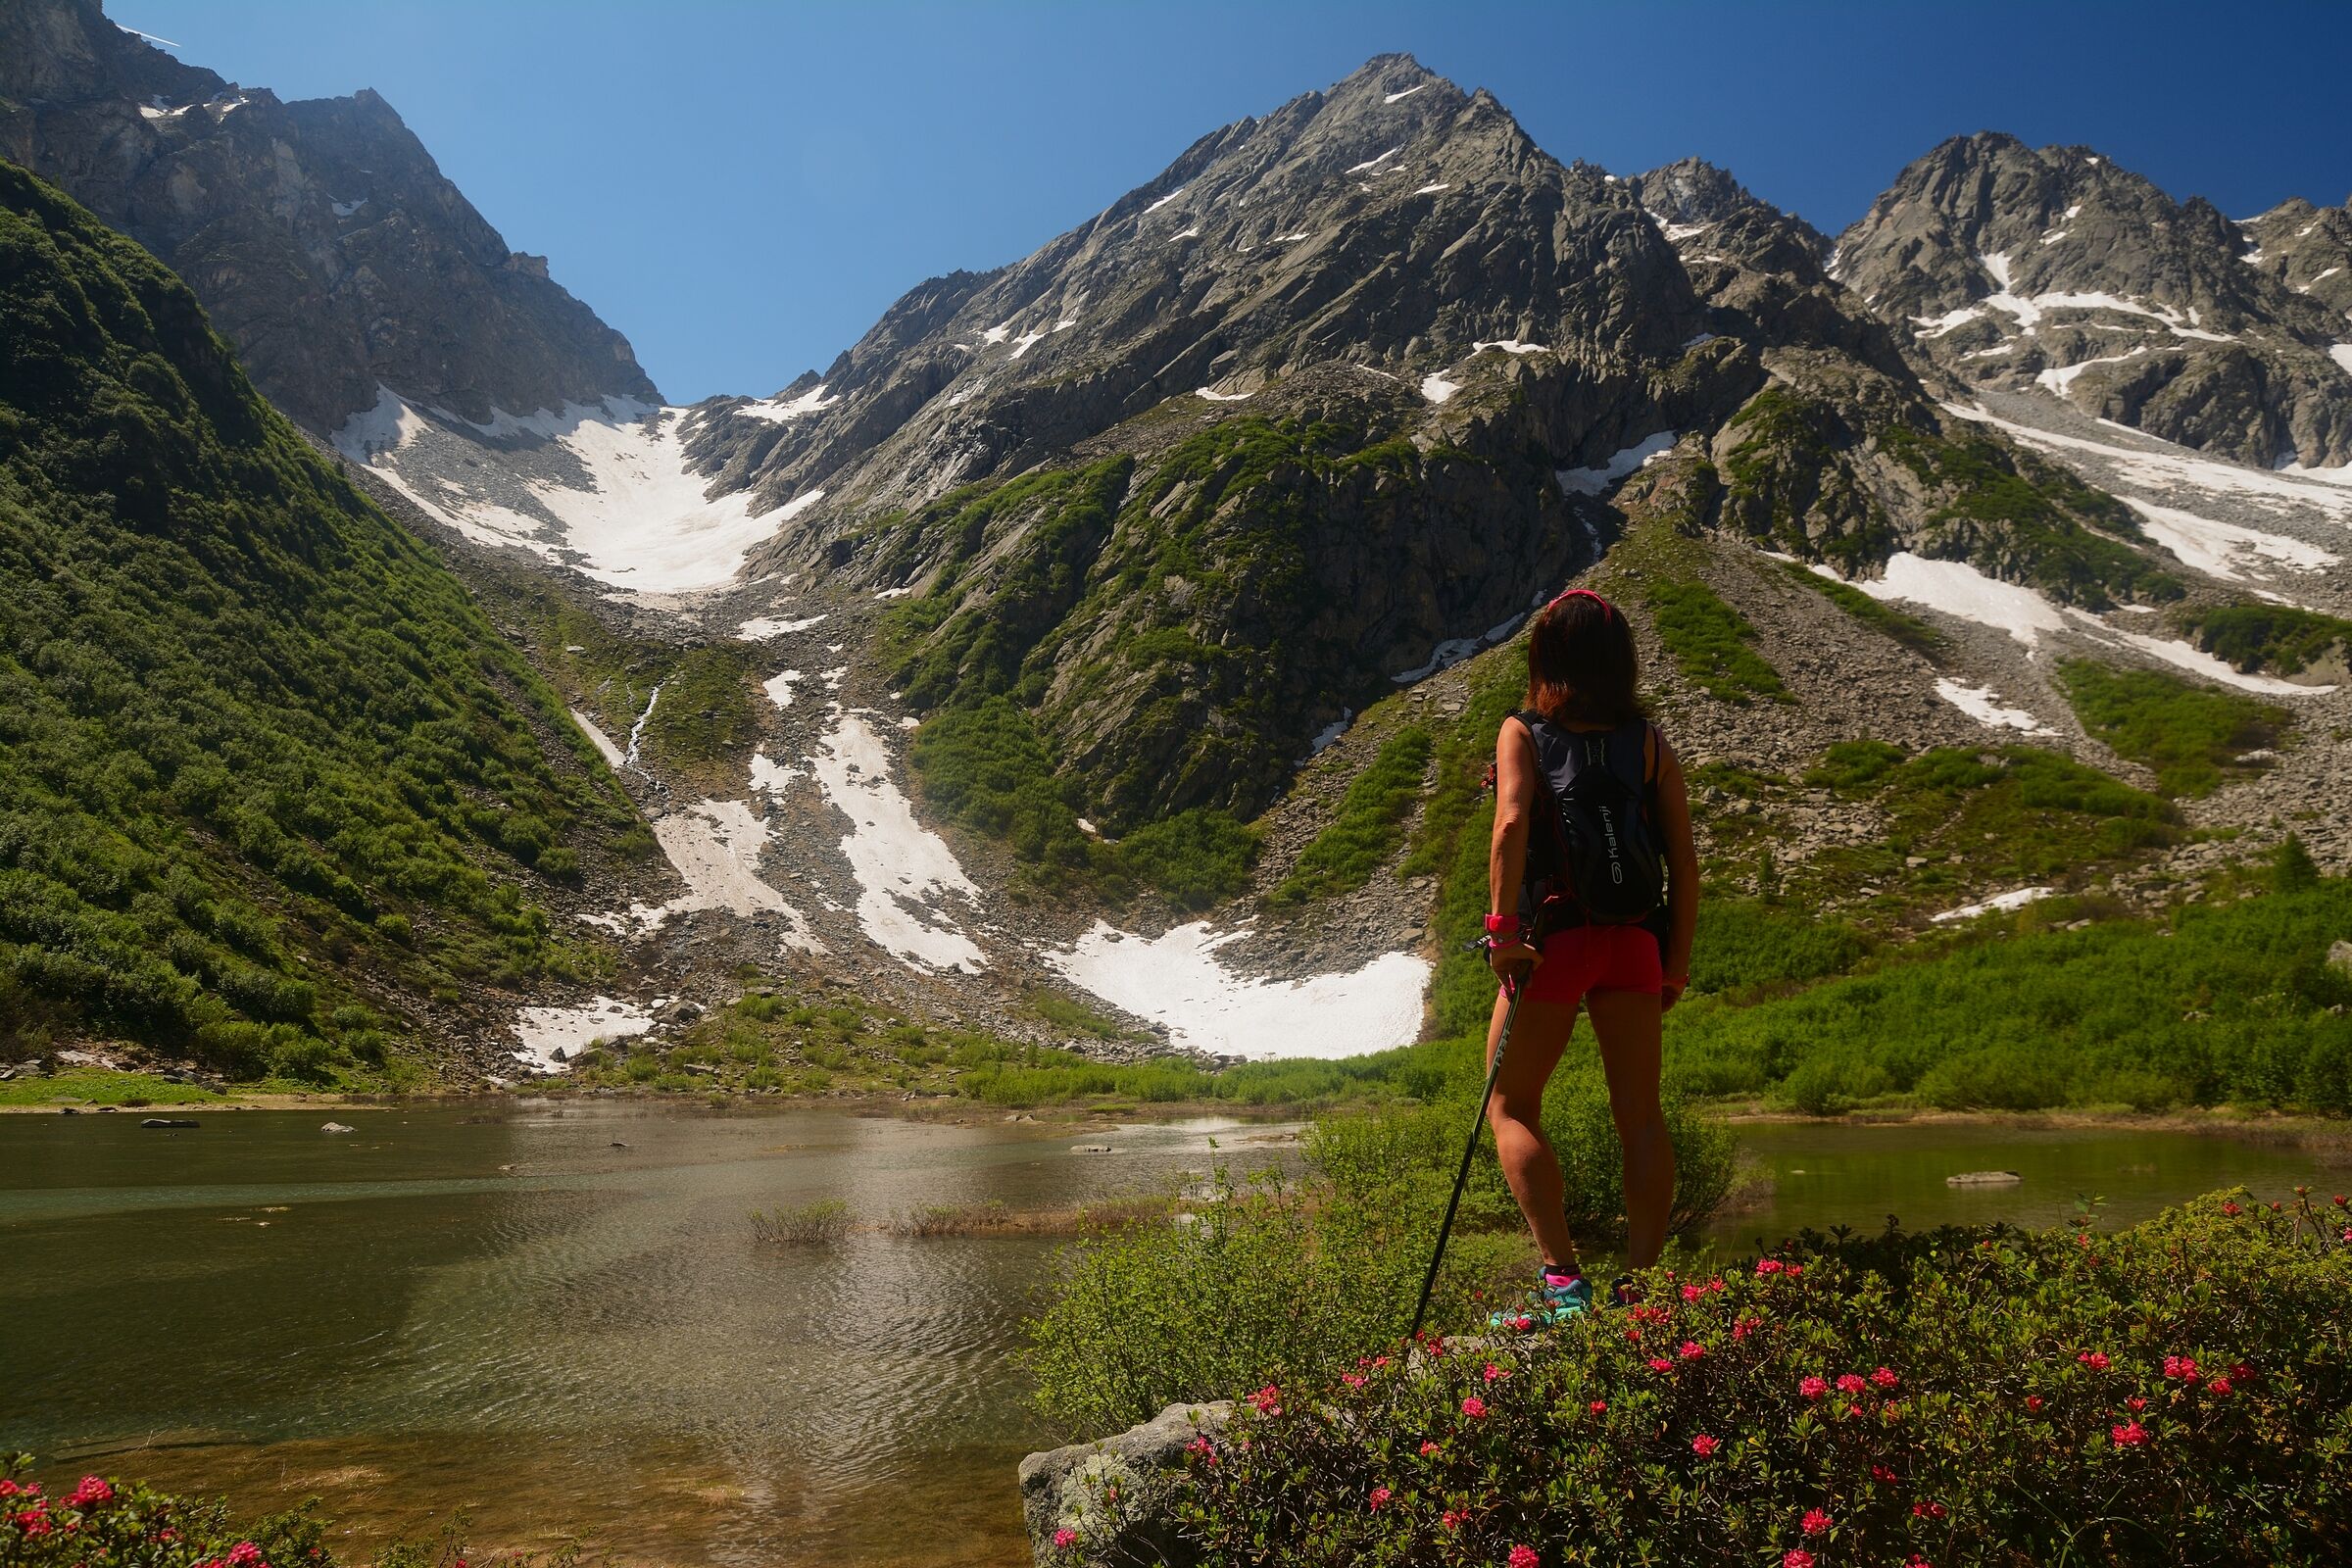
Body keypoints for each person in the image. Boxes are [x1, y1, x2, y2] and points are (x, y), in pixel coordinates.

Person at [1482, 587, 1698, 1322]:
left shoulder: (1524, 731)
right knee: (1640, 1115)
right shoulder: (1649, 742)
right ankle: (1645, 1288)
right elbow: (1685, 863)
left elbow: (1512, 824)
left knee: (1510, 1103)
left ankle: (1564, 1283)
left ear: (1546, 656)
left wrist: (1502, 933)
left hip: (1556, 940)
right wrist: (1676, 963)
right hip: (1636, 944)